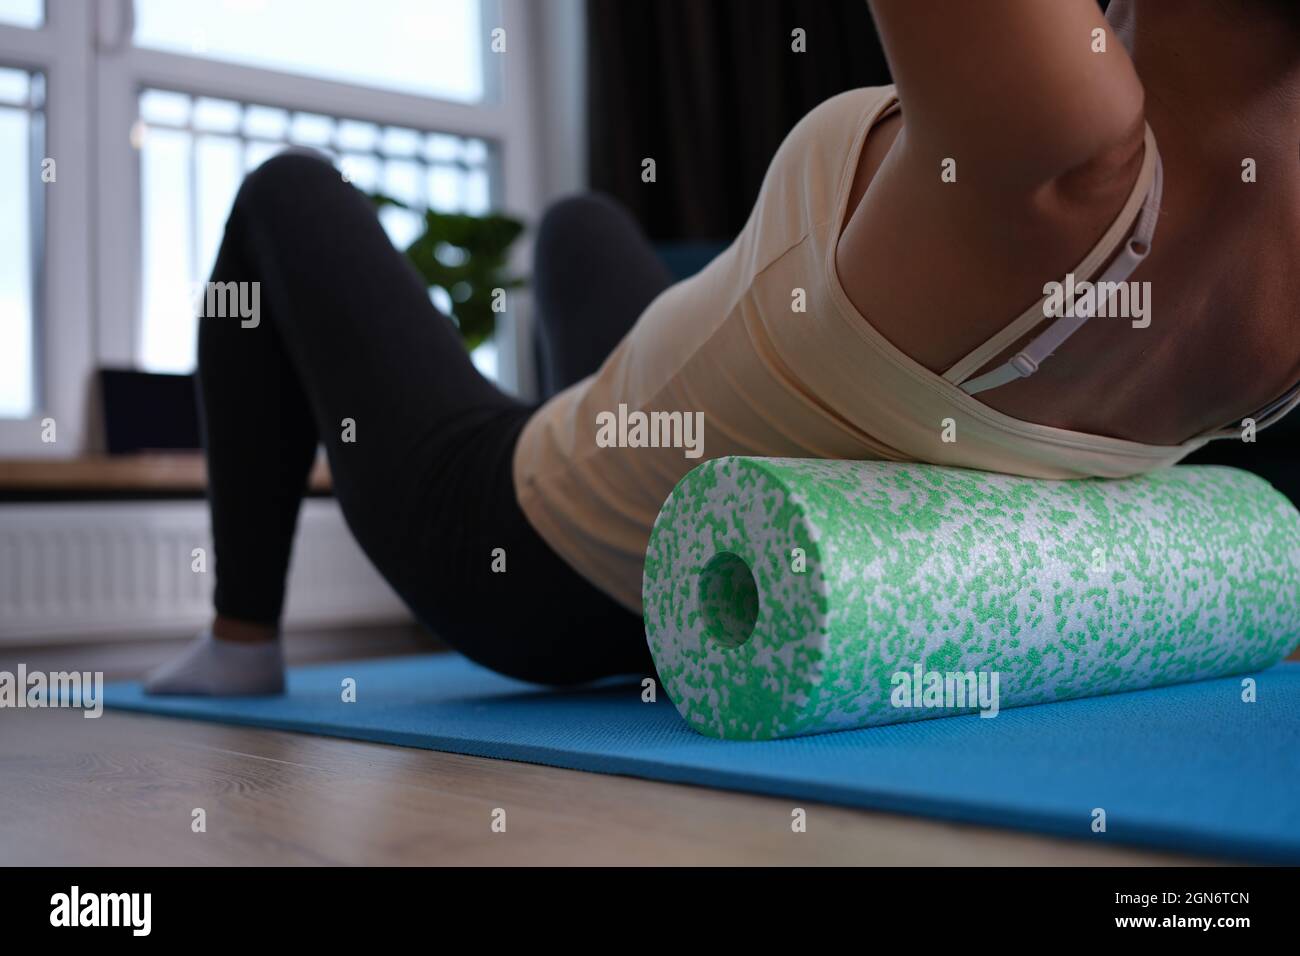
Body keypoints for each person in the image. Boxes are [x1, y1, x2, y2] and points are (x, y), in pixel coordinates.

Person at [145, 0, 1300, 695]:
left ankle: (238, 634)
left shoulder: (1065, 134)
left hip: (523, 559)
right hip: (717, 510)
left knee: (283, 194)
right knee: (579, 228)